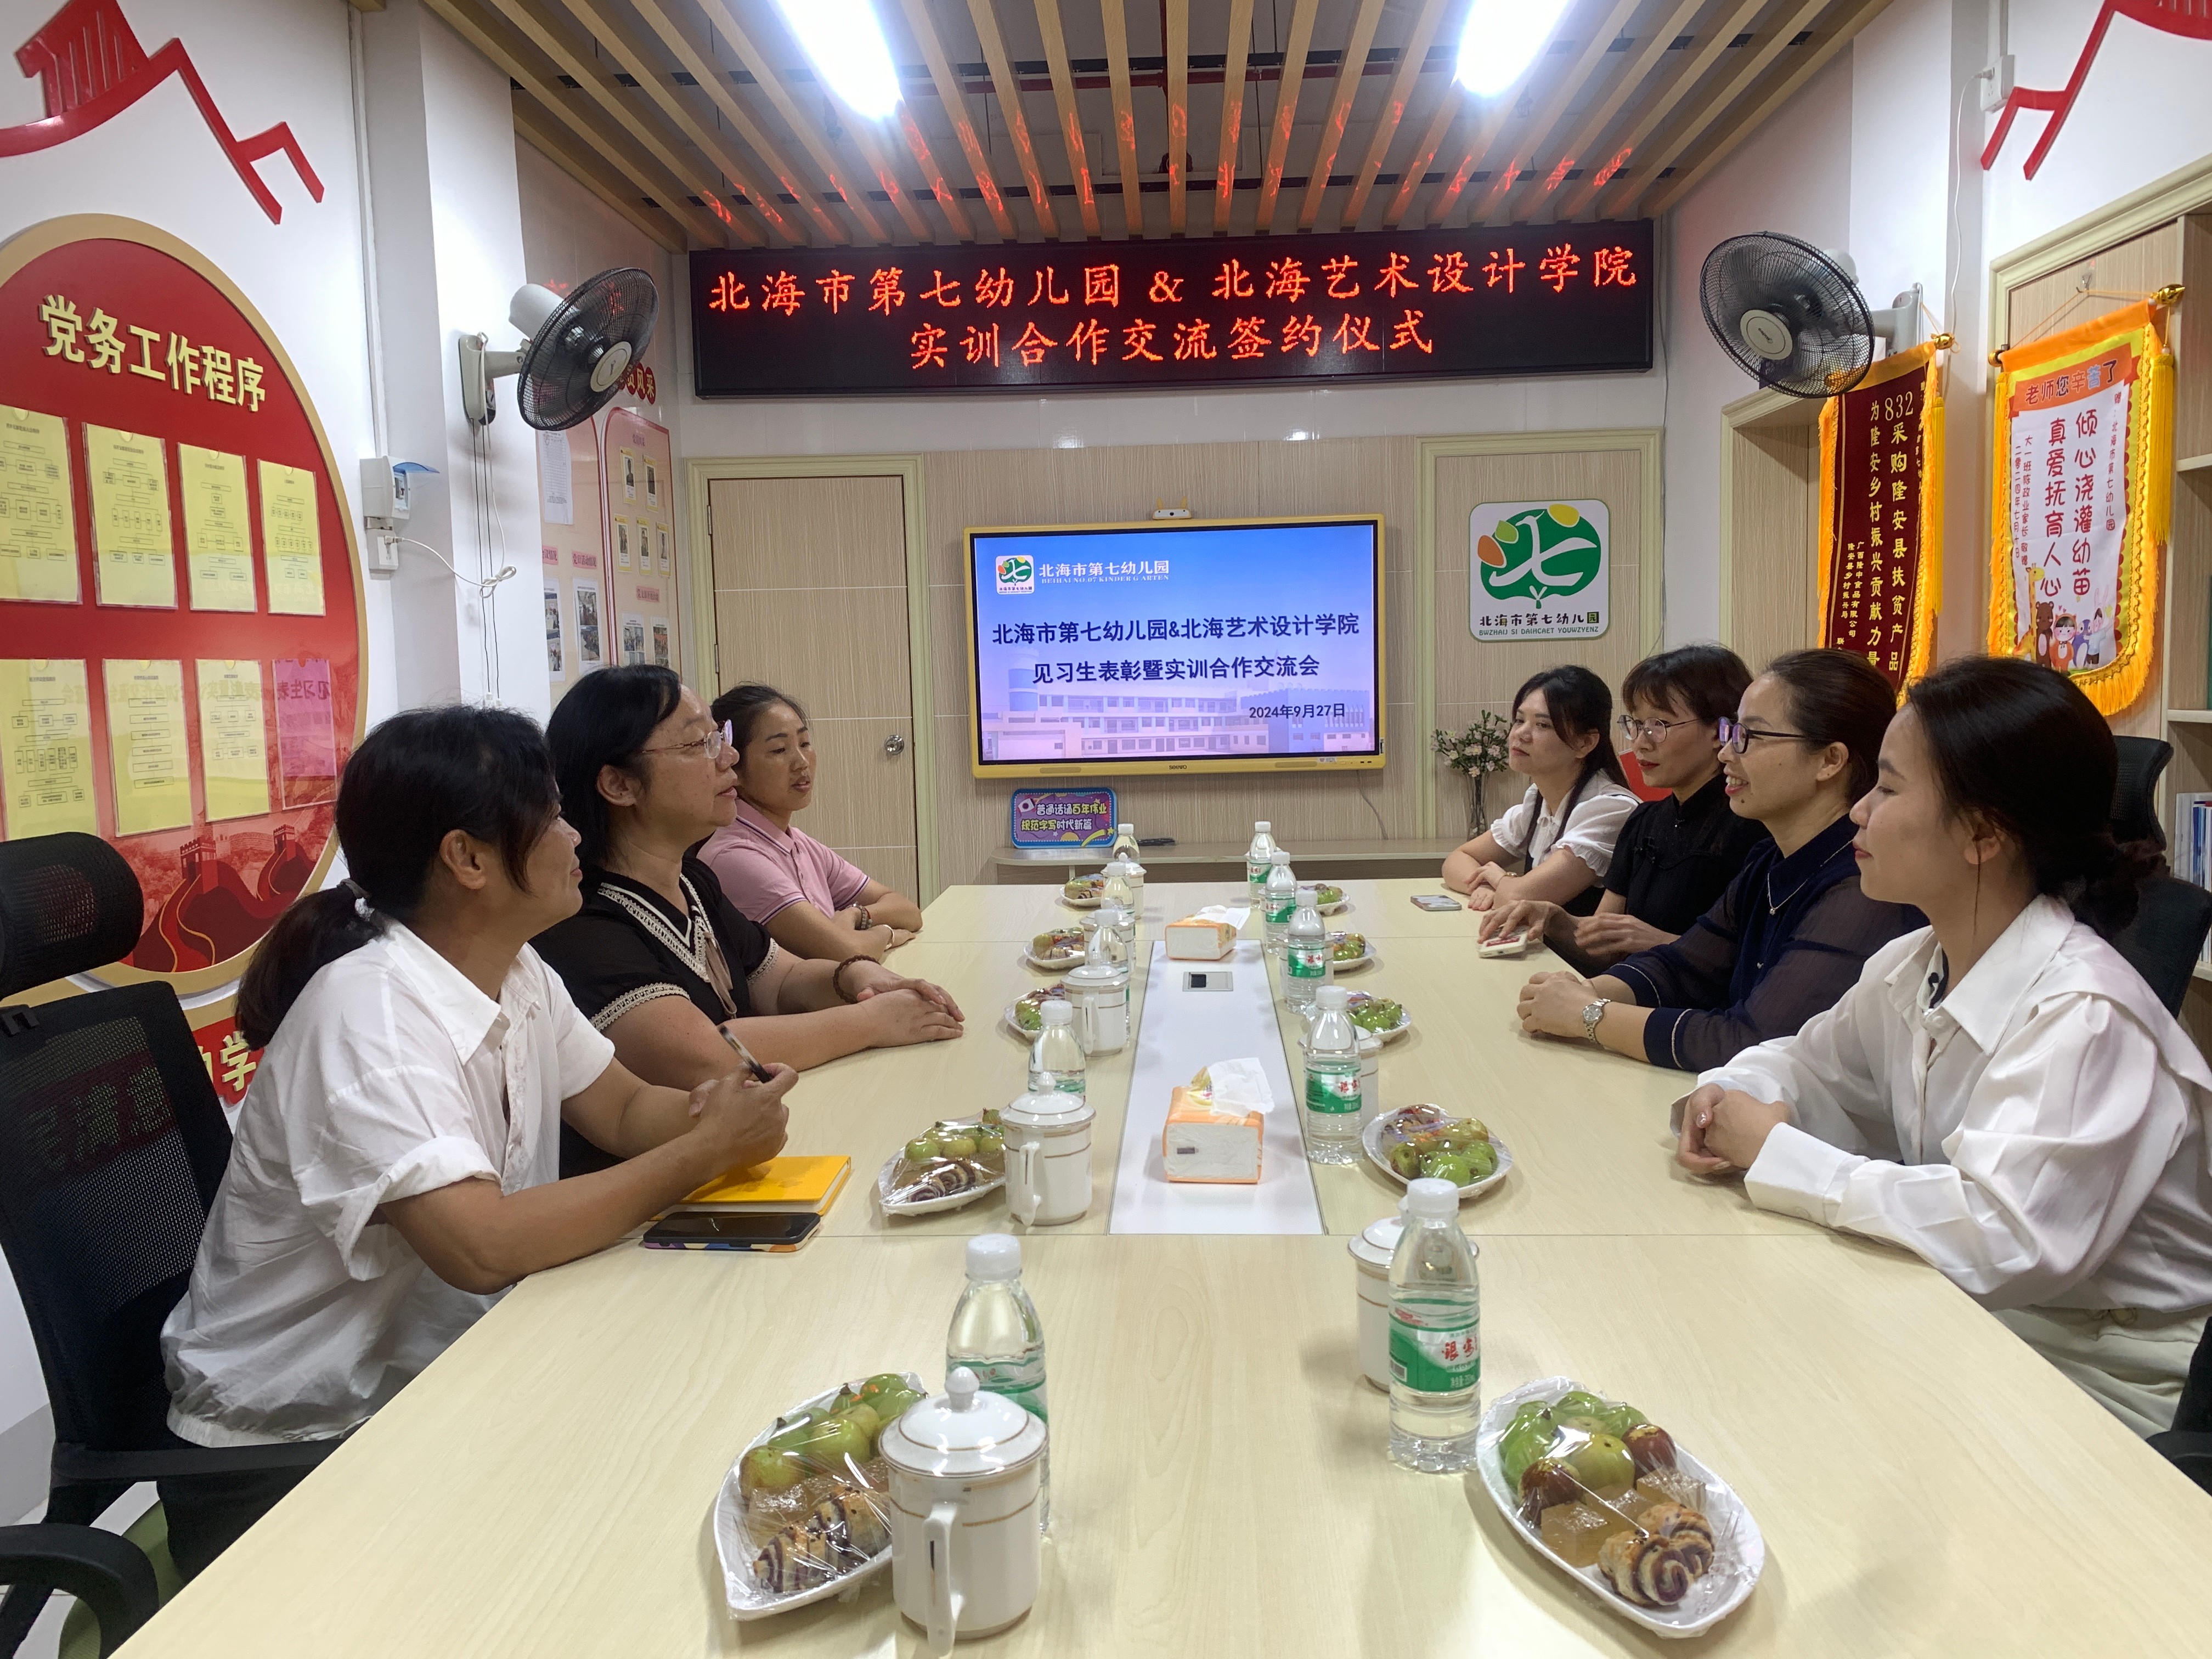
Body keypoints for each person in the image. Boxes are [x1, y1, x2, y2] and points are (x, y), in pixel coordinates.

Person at [159, 707, 794, 1576]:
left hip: (437, 1387)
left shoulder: (516, 967)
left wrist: (713, 1111)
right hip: (294, 1455)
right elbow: (480, 1247)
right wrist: (701, 1152)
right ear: (468, 859)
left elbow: (620, 1109)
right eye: (553, 815)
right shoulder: (372, 1016)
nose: (575, 835)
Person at [1677, 656, 2212, 1436]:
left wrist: (1777, 1152)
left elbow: (2000, 1238)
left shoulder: (2087, 1015)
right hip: (1981, 1316)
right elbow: (1806, 1061)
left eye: (1889, 789)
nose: (1859, 812)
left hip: (2111, 1372)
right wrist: (1732, 1092)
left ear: (1984, 832)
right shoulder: (1914, 962)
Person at [533, 668, 963, 1174]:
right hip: (659, 1194)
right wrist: (872, 1021)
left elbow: (781, 979)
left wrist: (857, 976)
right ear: (619, 784)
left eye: (720, 739)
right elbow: (703, 1056)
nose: (729, 758)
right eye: (700, 744)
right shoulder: (583, 918)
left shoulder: (693, 880)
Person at [1513, 649, 1920, 1070]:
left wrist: (1589, 1015)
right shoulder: (1769, 859)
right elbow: (1682, 966)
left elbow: (1752, 1040)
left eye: (1749, 736)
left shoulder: (1863, 883)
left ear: (1830, 760)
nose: (1726, 753)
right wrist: (1579, 993)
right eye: (1732, 732)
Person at [1480, 645, 1766, 970]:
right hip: (1628, 988)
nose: (1640, 742)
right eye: (1637, 725)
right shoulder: (1645, 821)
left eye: (1659, 725)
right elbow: (1604, 946)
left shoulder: (1752, 825)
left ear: (1719, 732)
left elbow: (1760, 962)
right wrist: (1553, 918)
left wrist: (1658, 942)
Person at [699, 682, 925, 962]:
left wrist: (856, 915)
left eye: (805, 744)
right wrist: (887, 934)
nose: (802, 762)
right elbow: (848, 953)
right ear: (735, 767)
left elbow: (908, 911)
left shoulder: (798, 843)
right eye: (779, 750)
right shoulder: (735, 855)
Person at [1442, 666, 1639, 917]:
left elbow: (1521, 897)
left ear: (1585, 743)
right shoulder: (1538, 799)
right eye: (1519, 720)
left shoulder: (1610, 809)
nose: (1521, 734)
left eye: (1543, 725)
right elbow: (1457, 859)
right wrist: (1485, 886)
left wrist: (1502, 882)